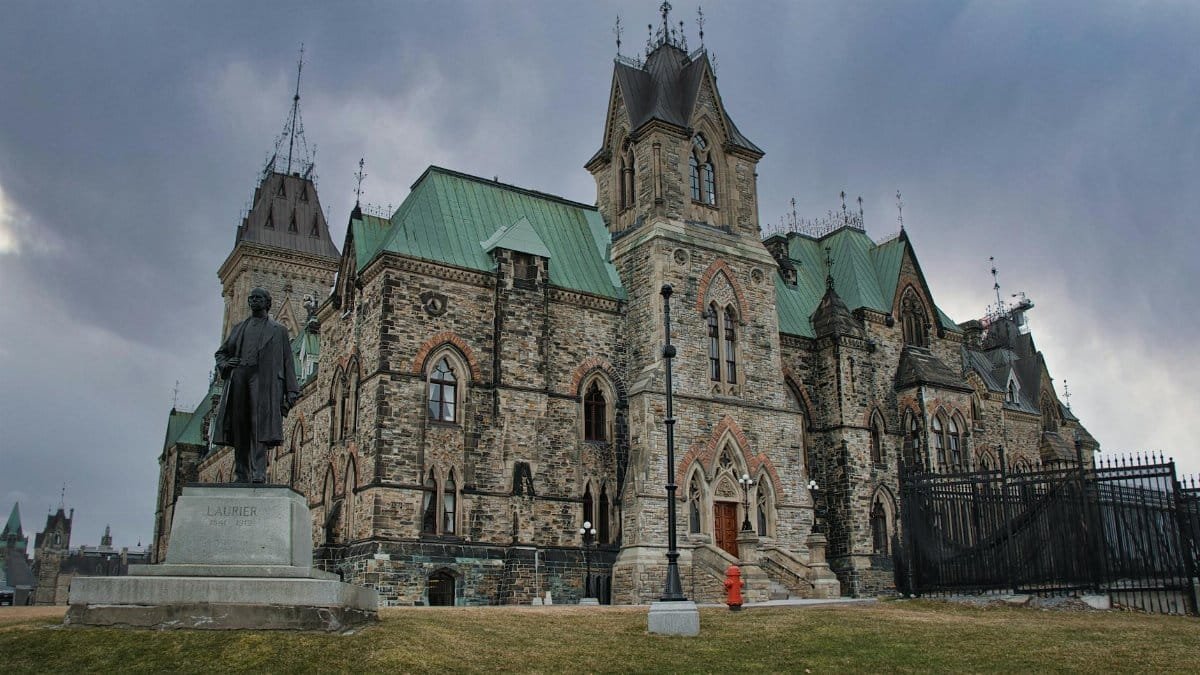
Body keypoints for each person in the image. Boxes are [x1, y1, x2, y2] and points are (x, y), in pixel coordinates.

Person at [213, 288, 299, 483]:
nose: (253, 301)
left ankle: (259, 471)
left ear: (267, 302)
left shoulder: (278, 330)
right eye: (251, 298)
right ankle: (241, 474)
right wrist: (226, 365)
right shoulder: (239, 328)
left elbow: (288, 361)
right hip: (240, 378)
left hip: (264, 381)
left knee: (258, 426)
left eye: (258, 298)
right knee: (240, 426)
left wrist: (292, 391)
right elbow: (221, 353)